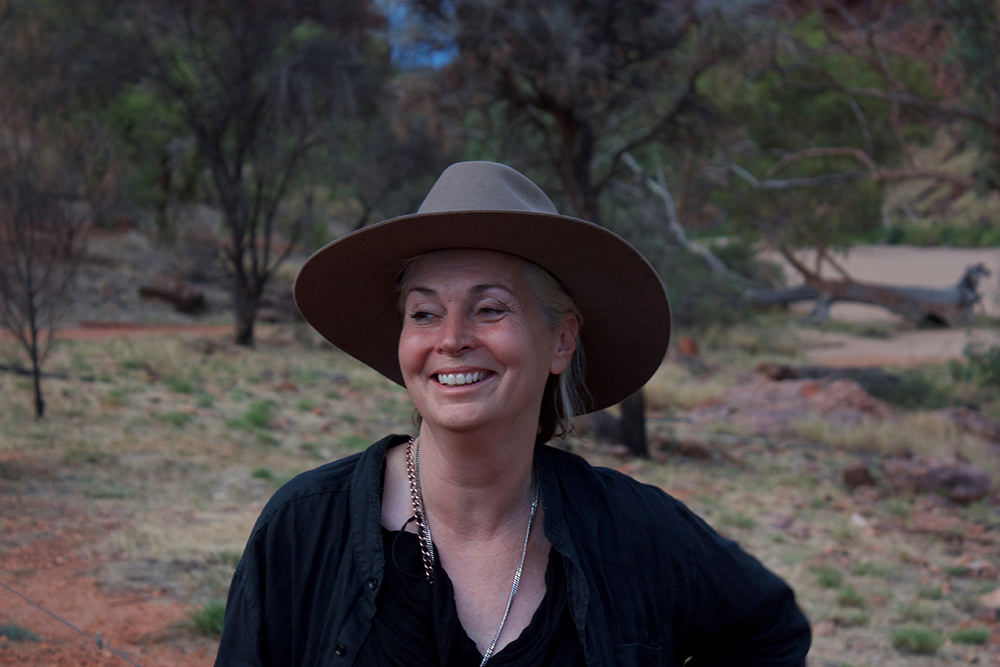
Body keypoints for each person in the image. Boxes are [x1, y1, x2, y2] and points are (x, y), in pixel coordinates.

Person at [215, 161, 811, 666]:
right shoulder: (305, 527)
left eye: (490, 309)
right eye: (424, 314)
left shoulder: (634, 533)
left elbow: (770, 630)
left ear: (560, 341)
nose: (451, 339)